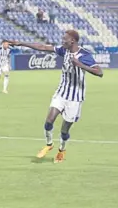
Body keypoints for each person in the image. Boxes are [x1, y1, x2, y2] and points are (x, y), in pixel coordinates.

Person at [8, 30, 103, 163]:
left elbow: (99, 72)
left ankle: (62, 150)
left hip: (75, 97)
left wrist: (81, 65)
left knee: (64, 131)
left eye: (65, 39)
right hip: (61, 92)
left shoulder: (84, 55)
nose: (62, 41)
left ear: (72, 41)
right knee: (49, 121)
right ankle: (49, 144)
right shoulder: (64, 50)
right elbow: (43, 47)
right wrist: (21, 43)